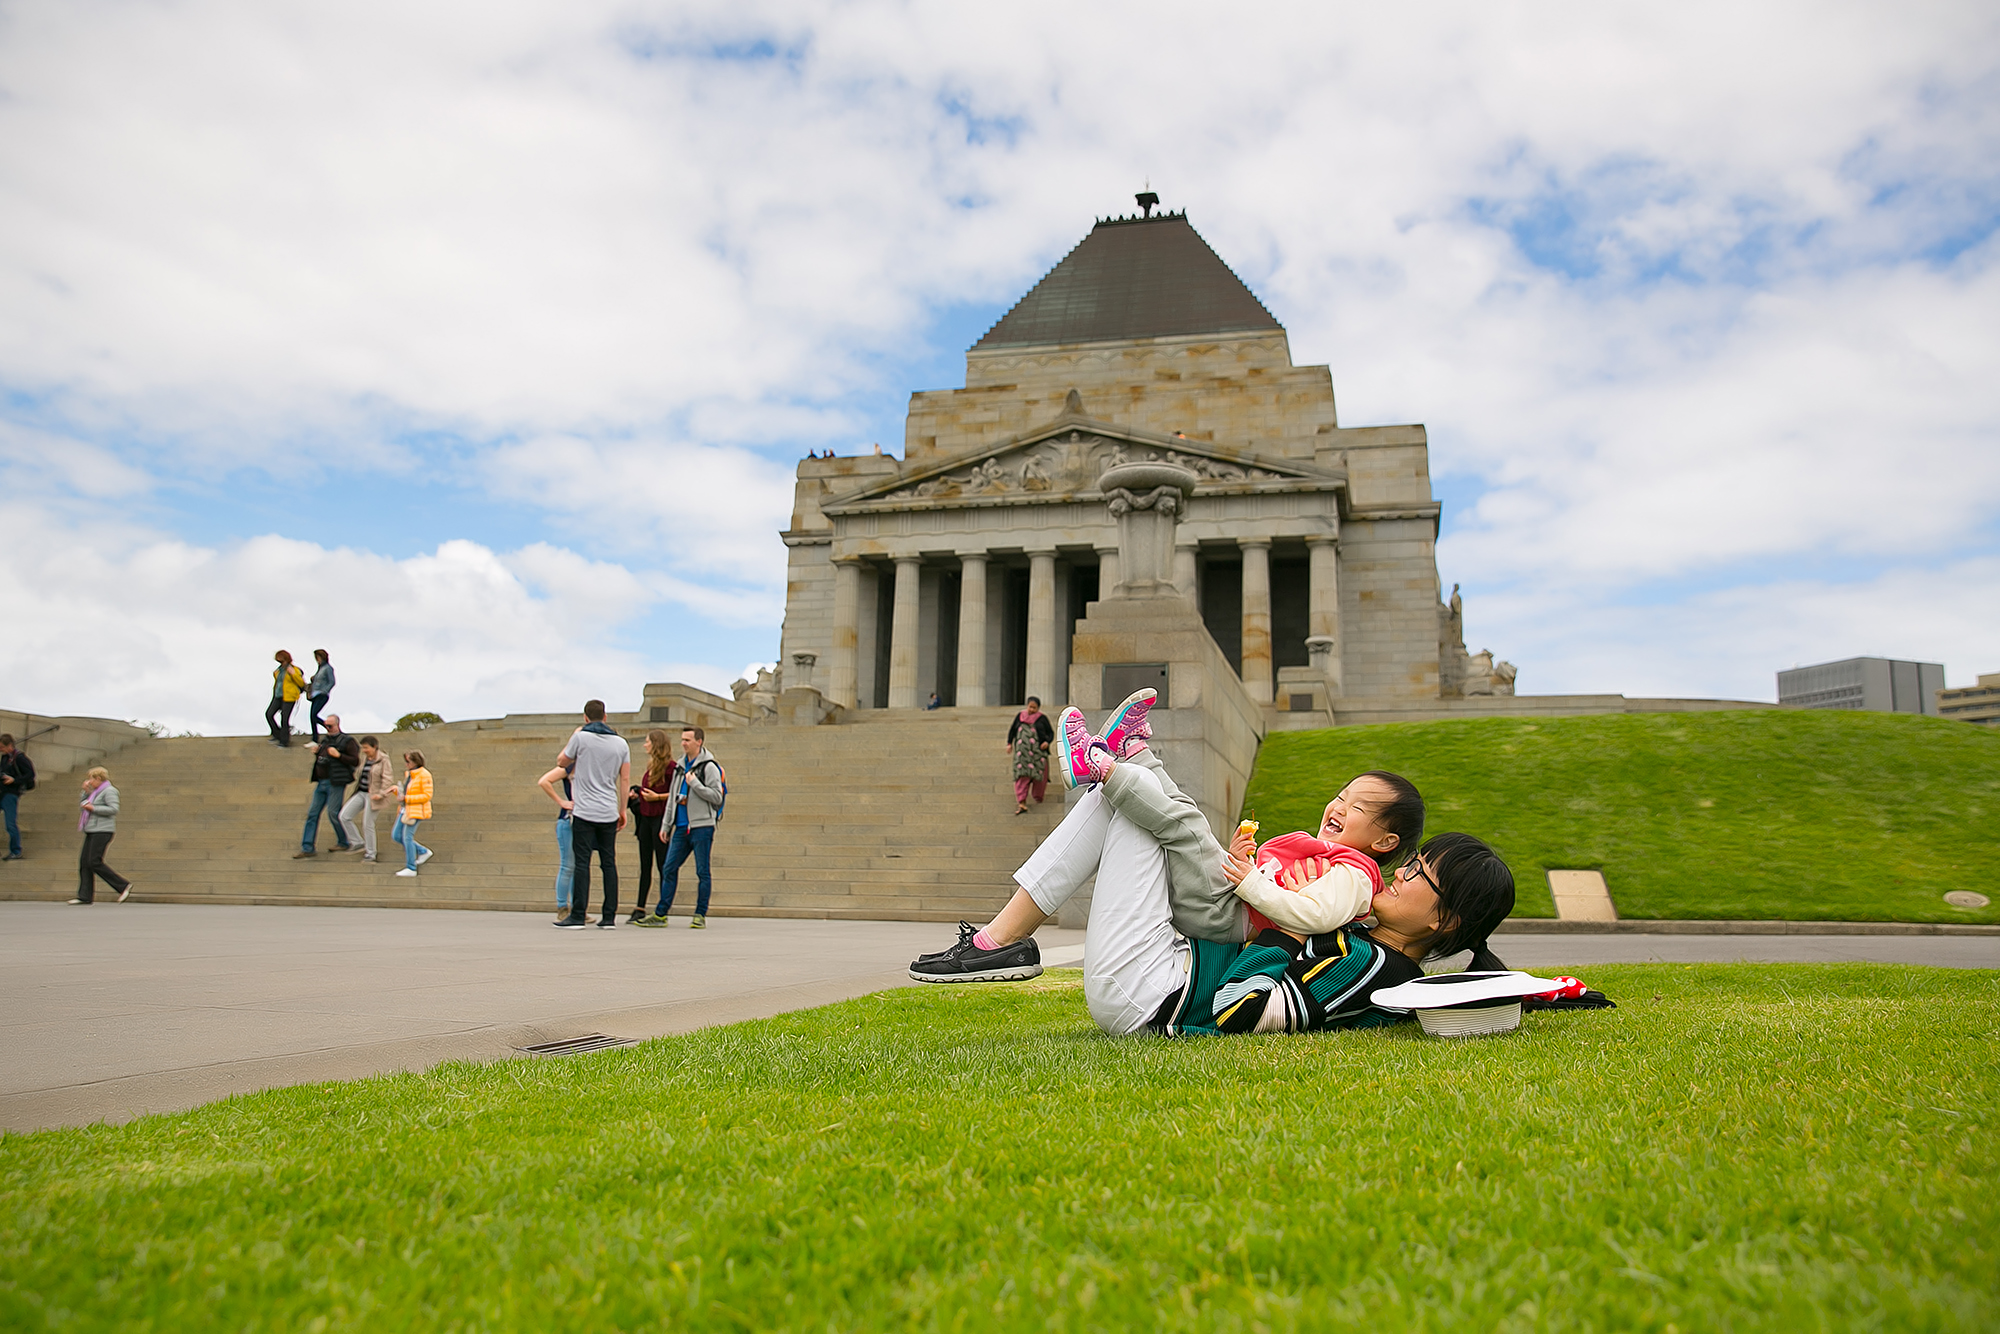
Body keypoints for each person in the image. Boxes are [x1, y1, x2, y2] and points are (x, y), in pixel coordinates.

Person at [912, 697, 1511, 1036]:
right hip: (1160, 968)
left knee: (1146, 808)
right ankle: (1003, 936)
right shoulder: (1361, 932)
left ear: (1446, 921)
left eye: (1417, 875)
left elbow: (1241, 1003)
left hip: (1152, 993)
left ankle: (1118, 765)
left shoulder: (1374, 968)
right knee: (1149, 809)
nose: (1400, 875)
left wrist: (1290, 928)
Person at [553, 701, 630, 929]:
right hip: (608, 809)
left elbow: (561, 761)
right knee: (608, 863)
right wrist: (622, 809)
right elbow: (624, 779)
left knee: (582, 863)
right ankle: (609, 917)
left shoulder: (581, 738)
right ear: (605, 716)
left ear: (586, 717)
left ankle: (578, 914)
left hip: (584, 809)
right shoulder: (621, 743)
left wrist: (576, 739)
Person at [652, 725, 722, 928]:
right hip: (681, 827)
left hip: (702, 826)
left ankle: (700, 914)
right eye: (682, 740)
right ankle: (661, 913)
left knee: (702, 871)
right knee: (669, 867)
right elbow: (673, 798)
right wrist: (666, 825)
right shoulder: (679, 767)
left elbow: (717, 797)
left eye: (688, 740)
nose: (683, 743)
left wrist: (695, 785)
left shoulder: (709, 766)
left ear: (699, 742)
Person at [295, 715, 360, 858]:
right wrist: (318, 753)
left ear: (337, 725)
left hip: (336, 782)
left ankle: (343, 841)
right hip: (322, 781)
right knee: (312, 813)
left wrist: (339, 756)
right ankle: (307, 847)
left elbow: (355, 761)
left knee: (333, 813)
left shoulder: (347, 741)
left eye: (330, 726)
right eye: (325, 726)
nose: (327, 729)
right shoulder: (325, 741)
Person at [628, 730, 675, 924]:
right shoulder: (651, 766)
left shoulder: (671, 768)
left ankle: (662, 908)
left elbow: (675, 793)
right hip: (646, 819)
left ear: (655, 744)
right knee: (645, 864)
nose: (644, 745)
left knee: (662, 864)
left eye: (647, 742)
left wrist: (656, 797)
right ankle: (640, 906)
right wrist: (637, 794)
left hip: (660, 819)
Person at [71, 766, 132, 904]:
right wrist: (85, 793)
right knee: (84, 863)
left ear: (99, 778)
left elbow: (113, 809)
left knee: (94, 861)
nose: (89, 782)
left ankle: (122, 885)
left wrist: (94, 808)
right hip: (91, 829)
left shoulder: (109, 791)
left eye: (91, 779)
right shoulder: (95, 792)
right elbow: (83, 804)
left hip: (103, 830)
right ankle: (85, 896)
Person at [339, 736, 394, 862]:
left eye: (366, 748)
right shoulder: (365, 759)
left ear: (374, 747)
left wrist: (381, 794)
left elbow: (387, 779)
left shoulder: (383, 760)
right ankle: (357, 841)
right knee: (344, 816)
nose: (364, 750)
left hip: (374, 795)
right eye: (363, 748)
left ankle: (371, 853)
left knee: (368, 823)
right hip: (361, 792)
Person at [536, 753, 577, 921]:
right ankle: (562, 906)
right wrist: (562, 801)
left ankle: (577, 906)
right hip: (568, 820)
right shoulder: (570, 767)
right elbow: (544, 781)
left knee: (578, 866)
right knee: (568, 865)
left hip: (585, 819)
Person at [1007, 696, 1054, 815]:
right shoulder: (1020, 716)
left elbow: (1050, 733)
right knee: (1022, 776)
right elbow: (1012, 730)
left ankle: (1038, 796)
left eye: (1034, 708)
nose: (1032, 710)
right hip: (1022, 754)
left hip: (1038, 753)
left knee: (1039, 775)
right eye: (1030, 707)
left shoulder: (1042, 719)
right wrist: (1009, 743)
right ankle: (1021, 802)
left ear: (1038, 708)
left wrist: (1046, 742)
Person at [391, 750, 434, 877]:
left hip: (416, 810)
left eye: (408, 761)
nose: (406, 764)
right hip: (406, 809)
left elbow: (427, 795)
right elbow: (407, 792)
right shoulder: (410, 775)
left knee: (407, 837)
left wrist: (407, 799)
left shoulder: (424, 775)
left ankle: (411, 867)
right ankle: (422, 851)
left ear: (415, 761)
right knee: (396, 835)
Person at [0, 732, 35, 860]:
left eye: (2, 747)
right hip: (1, 791)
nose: (1, 750)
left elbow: (30, 774)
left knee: (10, 823)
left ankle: (16, 850)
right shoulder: (4, 758)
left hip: (11, 794)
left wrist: (14, 780)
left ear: (10, 745)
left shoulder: (20, 758)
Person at [265, 651, 307, 746]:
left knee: (284, 718)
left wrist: (293, 674)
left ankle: (284, 741)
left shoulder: (294, 670)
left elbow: (301, 683)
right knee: (269, 714)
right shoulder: (278, 671)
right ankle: (277, 734)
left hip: (289, 697)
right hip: (278, 696)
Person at [306, 649, 336, 742]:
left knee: (314, 715)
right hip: (315, 694)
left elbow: (332, 682)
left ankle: (330, 727)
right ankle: (315, 738)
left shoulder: (328, 668)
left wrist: (324, 690)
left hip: (322, 694)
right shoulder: (320, 669)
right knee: (312, 716)